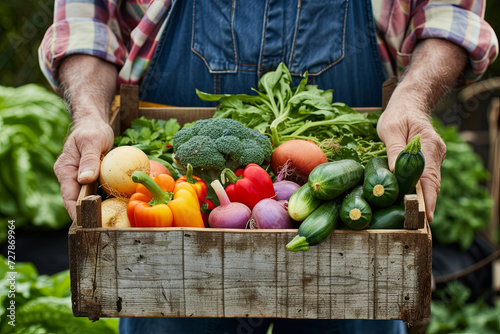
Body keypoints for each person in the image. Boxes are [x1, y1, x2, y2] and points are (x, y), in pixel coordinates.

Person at [39, 1, 498, 333]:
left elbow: (451, 13)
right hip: (170, 253)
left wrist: (413, 99)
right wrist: (90, 115)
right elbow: (85, 19)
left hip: (347, 252)